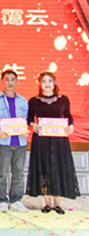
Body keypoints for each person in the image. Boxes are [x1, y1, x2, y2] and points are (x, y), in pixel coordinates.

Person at [27, 71, 79, 214]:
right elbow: (29, 118)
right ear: (39, 84)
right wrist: (33, 125)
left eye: (50, 81)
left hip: (59, 140)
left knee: (58, 168)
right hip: (41, 140)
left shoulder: (63, 100)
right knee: (43, 170)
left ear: (54, 83)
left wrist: (70, 126)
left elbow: (68, 116)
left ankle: (57, 204)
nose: (47, 84)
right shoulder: (34, 101)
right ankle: (47, 203)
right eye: (44, 81)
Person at [0, 68, 29, 213]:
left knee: (19, 173)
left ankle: (16, 200)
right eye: (7, 79)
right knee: (2, 172)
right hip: (3, 142)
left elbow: (25, 120)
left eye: (13, 79)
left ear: (17, 82)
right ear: (2, 81)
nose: (10, 82)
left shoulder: (23, 100)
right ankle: (2, 200)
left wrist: (26, 130)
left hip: (20, 142)